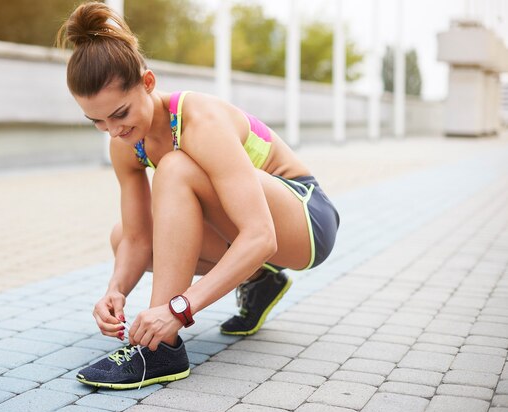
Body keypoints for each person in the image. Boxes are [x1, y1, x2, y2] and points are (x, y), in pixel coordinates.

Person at [57, 1, 339, 390]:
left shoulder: (198, 120)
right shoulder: (123, 143)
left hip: (306, 219)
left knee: (174, 168)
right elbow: (139, 238)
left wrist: (177, 310)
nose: (113, 130)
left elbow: (261, 235)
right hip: (251, 228)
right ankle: (259, 278)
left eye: (120, 114)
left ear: (149, 83)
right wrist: (115, 291)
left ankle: (161, 349)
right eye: (98, 121)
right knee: (121, 235)